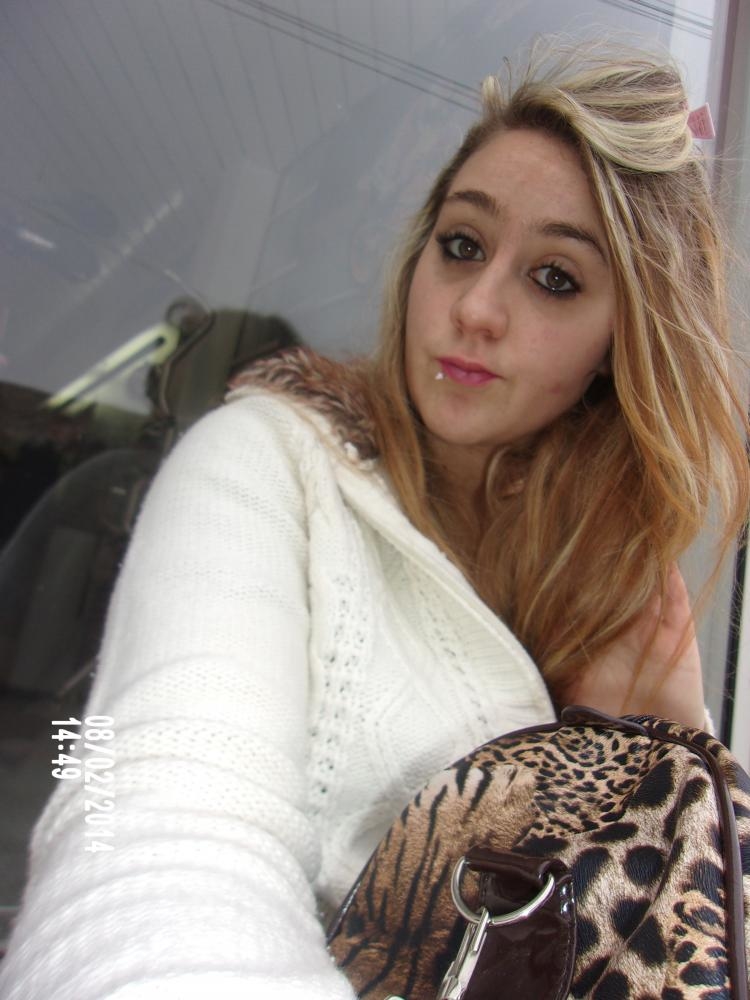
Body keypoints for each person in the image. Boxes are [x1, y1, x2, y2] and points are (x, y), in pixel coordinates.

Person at [1, 40, 747, 1000]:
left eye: (555, 278)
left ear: (617, 341)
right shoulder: (266, 463)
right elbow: (144, 821)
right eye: (462, 244)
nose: (476, 307)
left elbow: (681, 933)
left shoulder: (610, 583)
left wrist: (663, 745)